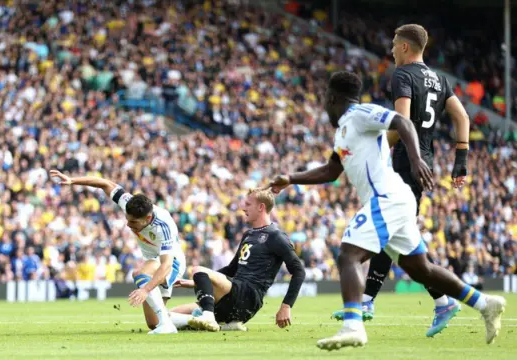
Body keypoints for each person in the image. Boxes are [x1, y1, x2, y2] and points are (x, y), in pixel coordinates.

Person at [266, 71, 505, 350]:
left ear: (332, 98)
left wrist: (415, 160)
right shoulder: (343, 131)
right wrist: (291, 179)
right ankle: (485, 303)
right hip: (395, 200)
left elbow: (401, 120)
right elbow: (332, 171)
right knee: (421, 269)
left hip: (387, 196)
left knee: (348, 256)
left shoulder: (359, 114)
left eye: (324, 101)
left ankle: (353, 326)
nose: (323, 106)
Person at [331, 24, 472, 338]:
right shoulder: (440, 79)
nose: (391, 50)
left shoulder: (402, 75)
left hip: (404, 163)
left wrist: (375, 148)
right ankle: (432, 302)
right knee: (397, 236)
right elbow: (462, 117)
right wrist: (460, 161)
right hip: (425, 162)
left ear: (406, 47)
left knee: (391, 234)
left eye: (395, 45)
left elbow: (402, 121)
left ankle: (372, 302)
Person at [49, 170, 186, 335]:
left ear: (148, 219)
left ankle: (168, 325)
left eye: (133, 222)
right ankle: (198, 319)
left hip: (172, 262)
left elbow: (166, 265)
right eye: (127, 219)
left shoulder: (162, 226)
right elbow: (105, 184)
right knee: (153, 323)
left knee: (140, 274)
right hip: (155, 260)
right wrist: (72, 180)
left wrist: (145, 290)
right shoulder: (130, 203)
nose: (128, 225)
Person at [168, 188, 306, 332]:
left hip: (247, 296)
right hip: (231, 296)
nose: (243, 207)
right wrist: (199, 281)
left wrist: (286, 306)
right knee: (165, 318)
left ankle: (207, 317)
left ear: (261, 207)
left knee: (197, 269)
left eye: (248, 204)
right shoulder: (248, 234)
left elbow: (299, 271)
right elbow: (231, 270)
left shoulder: (276, 236)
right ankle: (227, 324)